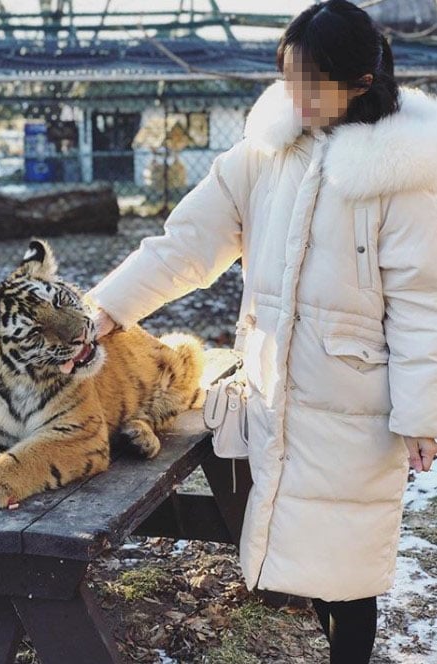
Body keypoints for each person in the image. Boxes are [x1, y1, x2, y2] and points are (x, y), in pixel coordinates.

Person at [85, 1, 437, 661]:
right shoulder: (262, 155)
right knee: (296, 557)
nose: (296, 96)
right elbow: (184, 244)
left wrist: (422, 413)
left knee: (347, 571)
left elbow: (422, 302)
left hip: (355, 402)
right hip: (276, 392)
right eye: (288, 77)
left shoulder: (402, 175)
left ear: (360, 81)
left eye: (314, 81)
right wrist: (108, 309)